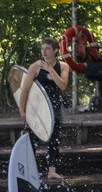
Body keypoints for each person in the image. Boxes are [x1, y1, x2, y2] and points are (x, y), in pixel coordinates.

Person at [17, 38, 70, 183]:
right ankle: (32, 169)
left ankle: (52, 170)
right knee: (33, 139)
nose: (44, 52)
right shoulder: (35, 67)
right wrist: (22, 111)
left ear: (55, 50)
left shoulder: (64, 66)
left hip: (54, 108)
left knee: (54, 138)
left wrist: (51, 71)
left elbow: (63, 85)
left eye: (47, 49)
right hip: (37, 109)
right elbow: (25, 90)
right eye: (42, 49)